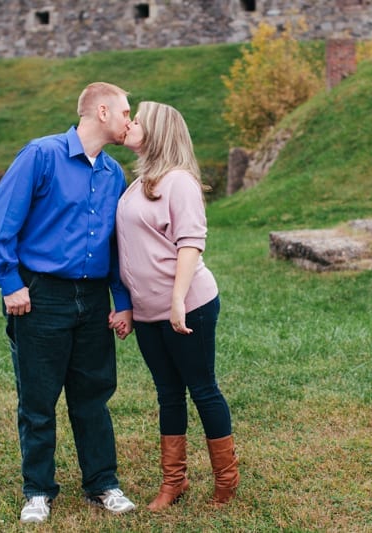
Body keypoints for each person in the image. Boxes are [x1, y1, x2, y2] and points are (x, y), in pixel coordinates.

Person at [0, 82, 136, 524]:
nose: (131, 120)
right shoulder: (41, 155)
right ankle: (37, 490)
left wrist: (121, 301)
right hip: (40, 296)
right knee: (37, 398)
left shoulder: (113, 174)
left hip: (92, 300)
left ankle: (102, 483)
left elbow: (116, 244)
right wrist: (10, 282)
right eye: (126, 111)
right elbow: (2, 221)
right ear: (102, 111)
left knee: (93, 395)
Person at [116, 101, 239, 511]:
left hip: (187, 307)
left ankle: (226, 483)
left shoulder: (179, 182)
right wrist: (129, 305)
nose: (129, 123)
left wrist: (176, 301)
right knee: (168, 395)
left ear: (158, 131)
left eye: (137, 119)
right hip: (148, 312)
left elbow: (191, 242)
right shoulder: (139, 183)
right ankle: (174, 483)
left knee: (203, 390)